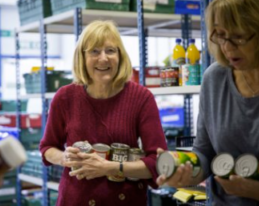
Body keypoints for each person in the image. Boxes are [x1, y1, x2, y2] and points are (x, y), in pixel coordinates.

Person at [39, 20, 167, 206]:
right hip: (76, 199)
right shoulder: (65, 97)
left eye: (110, 50)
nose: (103, 58)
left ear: (120, 56)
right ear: (82, 58)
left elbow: (158, 162)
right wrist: (63, 157)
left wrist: (111, 168)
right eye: (94, 51)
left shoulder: (141, 98)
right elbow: (47, 148)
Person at [156, 0, 259, 205]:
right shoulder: (214, 78)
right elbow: (204, 152)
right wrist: (185, 172)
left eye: (238, 36)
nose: (227, 47)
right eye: (220, 35)